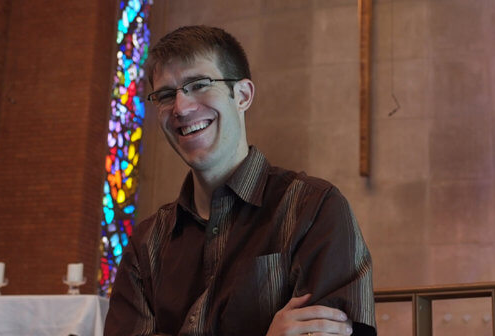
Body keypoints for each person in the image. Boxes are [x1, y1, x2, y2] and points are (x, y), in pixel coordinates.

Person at [104, 25, 376, 336]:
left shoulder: (313, 209)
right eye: (166, 95)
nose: (181, 107)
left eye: (199, 84)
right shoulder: (145, 246)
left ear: (243, 95)